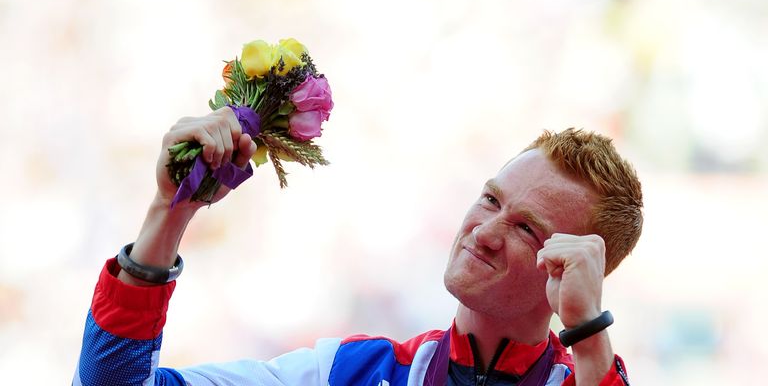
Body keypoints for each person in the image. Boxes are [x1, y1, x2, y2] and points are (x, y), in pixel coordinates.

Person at [73, 107, 642, 386]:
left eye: (526, 229)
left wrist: (589, 339)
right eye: (490, 201)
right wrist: (168, 213)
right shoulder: (350, 372)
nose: (485, 232)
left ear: (572, 270)